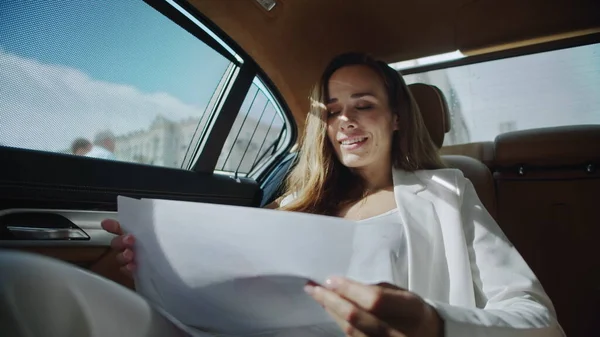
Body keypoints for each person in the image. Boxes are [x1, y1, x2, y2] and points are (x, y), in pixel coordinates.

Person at [0, 52, 564, 337]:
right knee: (23, 279)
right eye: (333, 110)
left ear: (395, 118)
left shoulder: (447, 190)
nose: (345, 121)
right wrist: (153, 267)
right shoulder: (290, 207)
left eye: (363, 105)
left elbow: (538, 320)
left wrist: (433, 323)